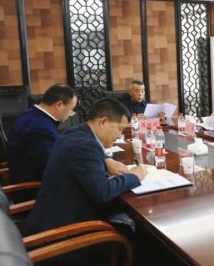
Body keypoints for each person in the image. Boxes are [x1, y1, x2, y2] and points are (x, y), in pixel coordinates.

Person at [25, 97, 147, 238]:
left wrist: (106, 159)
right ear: (103, 122)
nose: (120, 135)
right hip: (64, 233)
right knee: (138, 235)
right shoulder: (86, 146)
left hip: (50, 219)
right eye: (120, 129)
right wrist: (133, 176)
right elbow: (103, 192)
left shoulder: (75, 132)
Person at [6, 84, 77, 183]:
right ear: (59, 105)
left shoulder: (30, 115)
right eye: (71, 110)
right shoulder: (40, 128)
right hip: (35, 187)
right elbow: (51, 169)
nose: (70, 114)